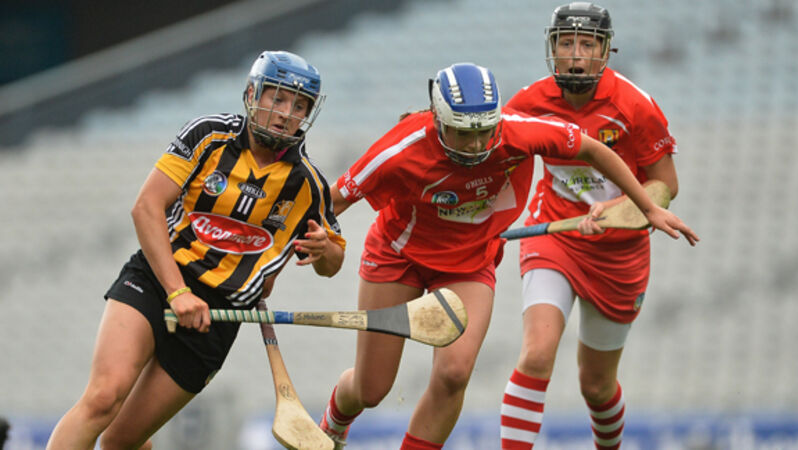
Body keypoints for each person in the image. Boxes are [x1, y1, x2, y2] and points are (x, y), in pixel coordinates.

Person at [318, 62, 697, 450]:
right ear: (439, 121)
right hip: (399, 258)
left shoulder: (517, 132)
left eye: (484, 132)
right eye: (463, 133)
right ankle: (334, 421)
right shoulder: (401, 148)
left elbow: (591, 148)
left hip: (469, 264)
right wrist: (317, 242)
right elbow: (329, 203)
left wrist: (647, 207)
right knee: (371, 389)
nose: (475, 145)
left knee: (454, 374)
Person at [45, 50, 345, 450]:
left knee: (122, 441)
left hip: (218, 317)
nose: (286, 113)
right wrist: (178, 291)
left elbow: (333, 261)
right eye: (277, 98)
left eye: (299, 105)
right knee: (103, 399)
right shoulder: (209, 135)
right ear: (252, 94)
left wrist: (325, 251)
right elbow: (146, 208)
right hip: (158, 280)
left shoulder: (307, 184)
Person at [498, 3, 695, 449]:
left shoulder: (635, 106)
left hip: (620, 253)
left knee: (596, 386)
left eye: (587, 44)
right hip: (555, 236)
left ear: (605, 52)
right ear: (552, 48)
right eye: (566, 43)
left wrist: (617, 212)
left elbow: (665, 185)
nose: (576, 55)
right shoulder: (526, 104)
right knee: (536, 355)